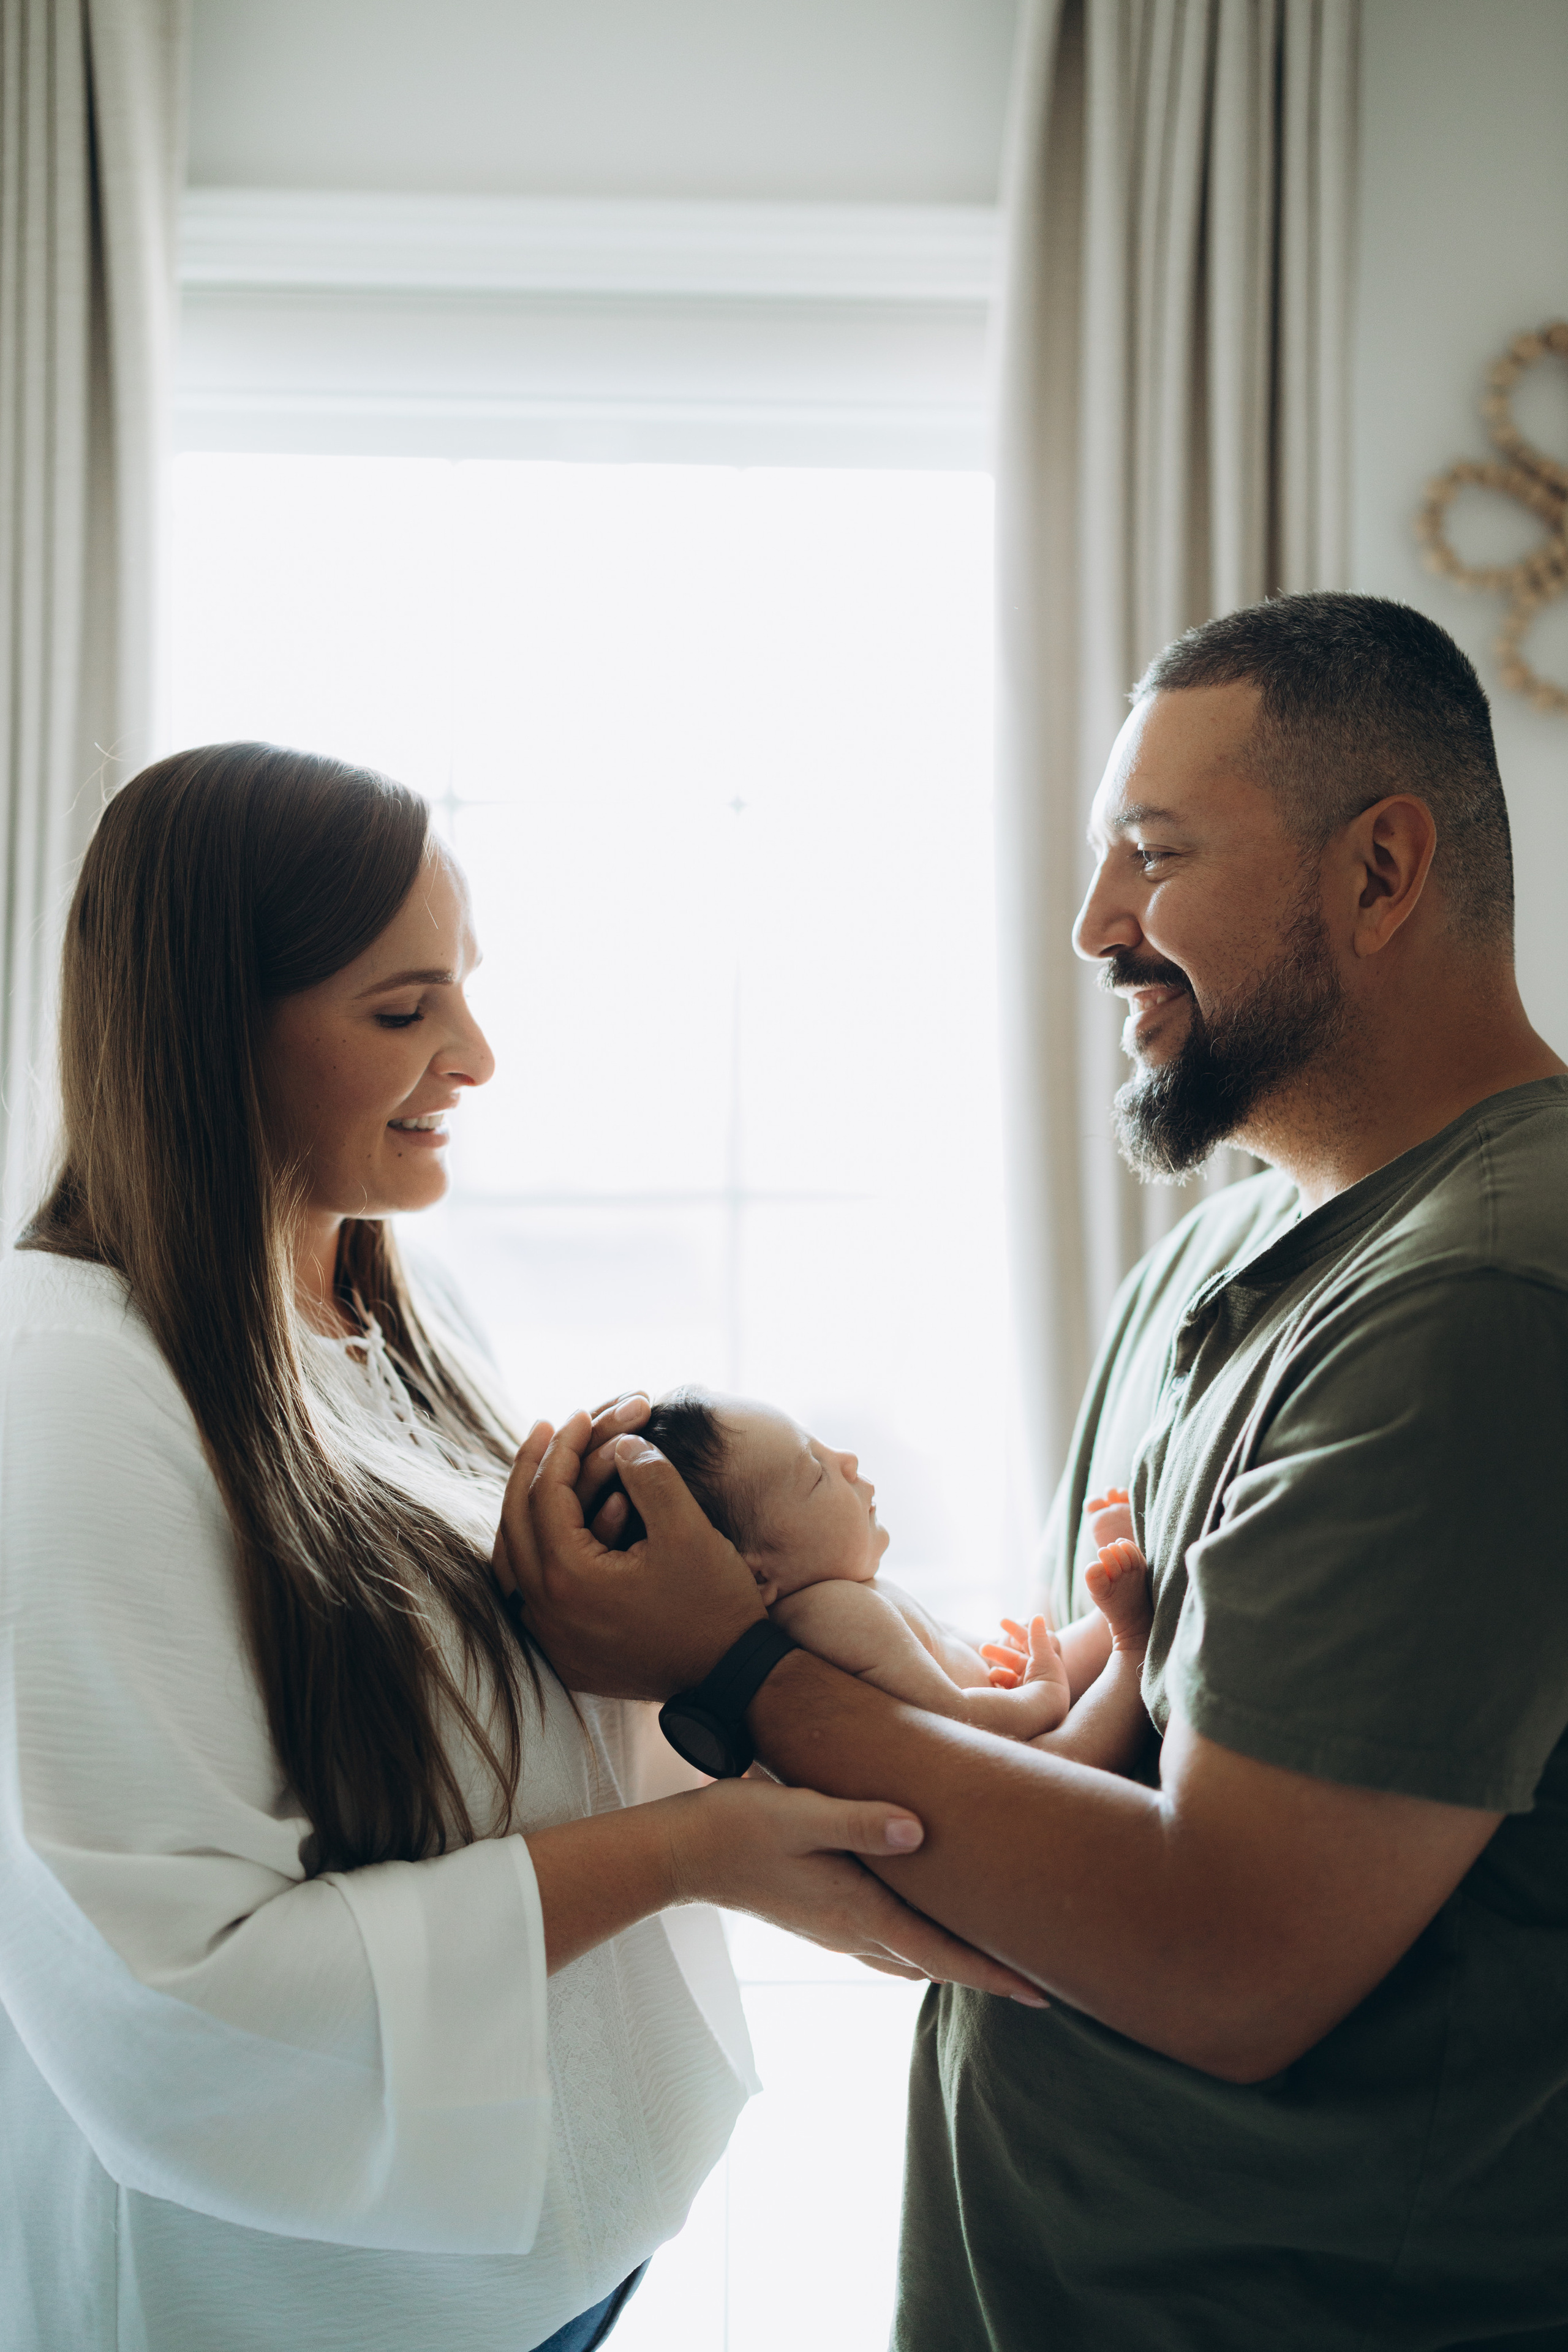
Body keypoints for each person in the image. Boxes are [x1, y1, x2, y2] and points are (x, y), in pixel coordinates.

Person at [504, 594, 1568, 2350]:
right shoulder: (1206, 1265)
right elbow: (1106, 1794)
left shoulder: (1484, 1303)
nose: (1094, 928)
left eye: (1154, 857)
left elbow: (1229, 1957)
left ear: (1380, 875)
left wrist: (738, 1668)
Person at [0, 742, 1038, 2352]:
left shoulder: (389, 1314)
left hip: (537, 2265)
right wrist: (706, 1858)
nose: (476, 1054)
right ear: (212, 1032)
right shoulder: (67, 1395)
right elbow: (183, 2003)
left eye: (463, 991)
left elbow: (490, 1736)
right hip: (305, 2308)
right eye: (402, 1011)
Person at [615, 1390, 1153, 1758]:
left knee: (1060, 1646)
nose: (848, 1461)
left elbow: (940, 1649)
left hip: (1001, 1712)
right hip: (1008, 1756)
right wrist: (1041, 1694)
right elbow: (953, 1722)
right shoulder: (830, 1614)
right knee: (1072, 1755)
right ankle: (1133, 1643)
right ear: (757, 1577)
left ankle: (1114, 1615)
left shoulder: (847, 1595)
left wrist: (1014, 1657)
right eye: (816, 1473)